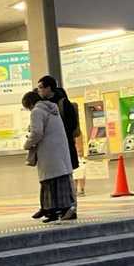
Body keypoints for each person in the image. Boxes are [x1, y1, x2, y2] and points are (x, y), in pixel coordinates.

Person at [21, 90, 76, 222]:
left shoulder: (37, 111)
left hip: (48, 153)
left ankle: (52, 211)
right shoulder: (52, 109)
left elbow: (37, 133)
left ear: (30, 104)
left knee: (49, 183)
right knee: (60, 182)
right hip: (59, 153)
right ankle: (57, 210)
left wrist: (27, 144)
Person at [36, 75, 83, 197]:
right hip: (52, 148)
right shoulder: (42, 104)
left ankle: (69, 203)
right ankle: (62, 203)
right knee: (56, 177)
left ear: (49, 88)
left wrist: (57, 131)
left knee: (66, 176)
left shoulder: (63, 103)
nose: (39, 90)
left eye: (41, 87)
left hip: (64, 145)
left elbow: (72, 124)